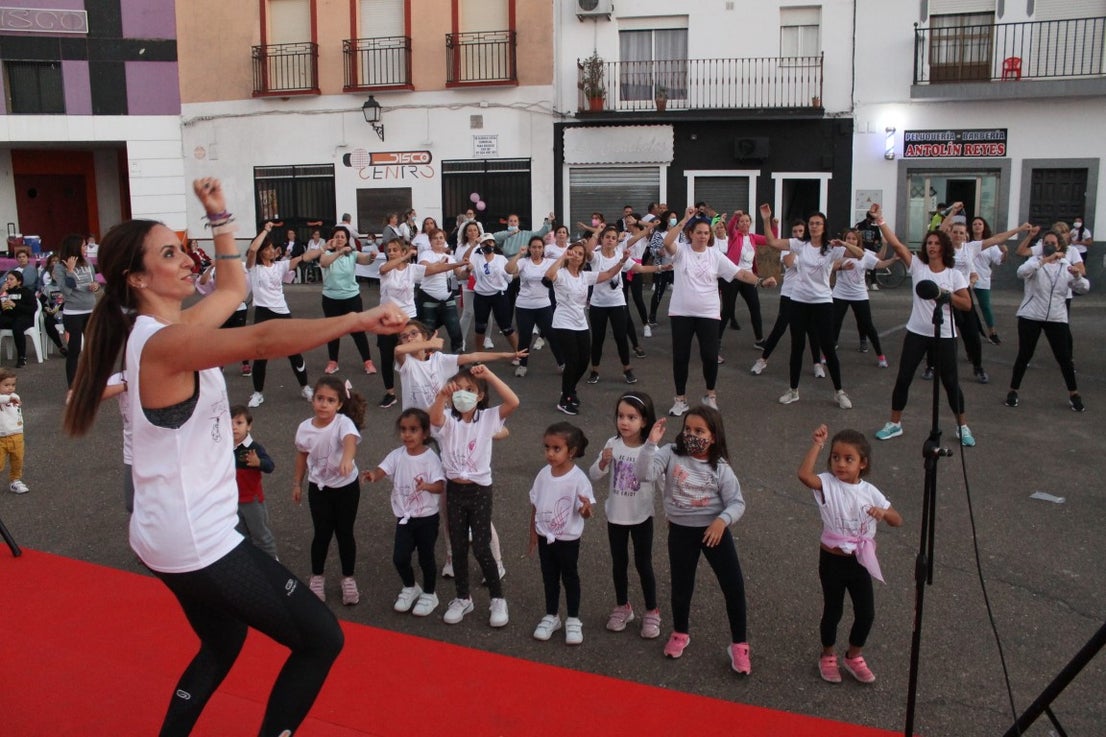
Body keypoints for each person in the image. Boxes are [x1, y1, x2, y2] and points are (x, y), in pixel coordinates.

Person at [62, 178, 408, 736]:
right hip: (195, 539)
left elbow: (231, 288)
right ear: (136, 276)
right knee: (322, 640)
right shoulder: (163, 344)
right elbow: (262, 340)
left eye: (181, 247)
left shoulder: (166, 328)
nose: (183, 258)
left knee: (223, 641)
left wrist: (220, 216)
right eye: (168, 253)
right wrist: (356, 320)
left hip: (166, 533)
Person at [636, 406, 751, 674]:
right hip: (681, 531)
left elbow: (737, 502)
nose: (691, 435)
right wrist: (650, 443)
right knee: (681, 585)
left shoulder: (720, 467)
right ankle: (680, 632)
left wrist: (722, 520)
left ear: (713, 436)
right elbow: (644, 474)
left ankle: (739, 644)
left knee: (733, 586)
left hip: (714, 531)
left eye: (699, 431)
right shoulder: (669, 453)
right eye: (688, 429)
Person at [797, 424, 902, 684]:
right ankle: (828, 655)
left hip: (860, 561)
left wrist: (884, 513)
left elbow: (897, 520)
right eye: (835, 457)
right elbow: (804, 475)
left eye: (848, 459)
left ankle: (854, 656)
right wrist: (817, 444)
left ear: (862, 463)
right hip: (832, 561)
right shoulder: (827, 483)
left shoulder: (870, 492)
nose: (840, 464)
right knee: (833, 610)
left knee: (866, 613)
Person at [869, 206, 977, 446]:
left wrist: (945, 295)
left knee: (950, 383)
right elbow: (897, 245)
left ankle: (963, 427)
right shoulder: (918, 266)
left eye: (936, 243)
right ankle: (894, 423)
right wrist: (880, 220)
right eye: (929, 243)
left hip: (945, 334)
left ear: (944, 247)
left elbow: (967, 305)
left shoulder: (954, 275)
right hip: (917, 332)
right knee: (903, 378)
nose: (932, 247)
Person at [428, 364, 519, 627]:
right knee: (457, 547)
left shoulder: (489, 418)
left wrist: (489, 375)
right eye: (459, 389)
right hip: (454, 489)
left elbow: (513, 401)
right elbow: (434, 419)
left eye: (470, 390)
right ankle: (462, 597)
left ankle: (497, 599)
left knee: (481, 546)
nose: (463, 395)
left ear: (480, 396)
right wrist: (442, 395)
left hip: (479, 490)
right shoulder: (447, 419)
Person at [665, 207, 773, 417]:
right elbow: (667, 243)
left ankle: (710, 395)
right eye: (699, 232)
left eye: (706, 233)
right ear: (690, 234)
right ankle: (680, 399)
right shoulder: (681, 252)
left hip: (708, 313)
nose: (703, 236)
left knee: (709, 356)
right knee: (681, 357)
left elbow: (740, 272)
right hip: (681, 313)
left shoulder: (715, 256)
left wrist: (760, 281)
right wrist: (684, 220)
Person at [760, 205, 863, 409]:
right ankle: (793, 390)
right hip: (798, 301)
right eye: (812, 223)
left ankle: (839, 392)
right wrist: (766, 219)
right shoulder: (800, 244)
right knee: (796, 347)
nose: (814, 226)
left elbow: (859, 254)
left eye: (818, 223)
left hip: (822, 302)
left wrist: (843, 242)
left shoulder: (832, 248)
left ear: (824, 227)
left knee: (828, 347)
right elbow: (771, 242)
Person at [588, 391, 661, 639]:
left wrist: (673, 510)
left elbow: (662, 481)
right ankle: (623, 606)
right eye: (621, 416)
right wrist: (602, 463)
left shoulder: (651, 449)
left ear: (645, 421)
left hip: (642, 517)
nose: (625, 422)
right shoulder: (612, 444)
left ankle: (652, 610)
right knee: (619, 563)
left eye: (632, 417)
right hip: (616, 516)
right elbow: (593, 474)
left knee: (643, 564)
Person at [363, 408, 446, 617]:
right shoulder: (397, 455)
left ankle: (429, 593)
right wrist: (373, 475)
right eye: (403, 430)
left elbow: (440, 486)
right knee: (400, 558)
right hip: (404, 518)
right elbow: (383, 469)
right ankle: (410, 587)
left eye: (413, 430)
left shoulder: (431, 458)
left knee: (426, 557)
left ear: (425, 434)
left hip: (427, 518)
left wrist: (426, 486)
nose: (407, 435)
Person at [293, 375, 368, 605]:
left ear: (339, 404)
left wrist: (347, 459)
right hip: (319, 488)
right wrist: (297, 482)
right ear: (312, 400)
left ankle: (348, 578)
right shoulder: (305, 428)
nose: (323, 404)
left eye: (330, 400)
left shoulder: (343, 422)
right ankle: (317, 577)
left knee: (345, 533)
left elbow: (350, 441)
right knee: (322, 534)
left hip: (346, 488)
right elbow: (302, 455)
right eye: (319, 398)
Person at [938, 206, 1030, 383]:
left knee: (972, 333)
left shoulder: (970, 248)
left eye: (961, 232)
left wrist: (1019, 229)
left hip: (963, 295)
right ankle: (932, 366)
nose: (957, 235)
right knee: (939, 333)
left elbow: (996, 239)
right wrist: (951, 214)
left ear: (966, 235)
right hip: (944, 295)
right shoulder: (944, 247)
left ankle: (978, 367)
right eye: (955, 232)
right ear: (950, 234)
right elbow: (941, 230)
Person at [1004, 226, 1090, 412]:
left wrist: (1077, 276)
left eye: (1053, 244)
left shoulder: (1065, 264)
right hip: (1031, 315)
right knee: (1024, 354)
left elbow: (1083, 288)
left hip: (1056, 316)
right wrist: (1044, 260)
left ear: (1060, 245)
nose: (1049, 246)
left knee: (1064, 357)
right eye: (1046, 243)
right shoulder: (1035, 261)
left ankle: (1074, 393)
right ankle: (1013, 390)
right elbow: (1021, 272)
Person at [545, 239, 632, 415]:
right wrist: (563, 256)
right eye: (573, 252)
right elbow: (548, 275)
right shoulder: (560, 273)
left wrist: (622, 261)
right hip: (563, 322)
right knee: (572, 361)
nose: (576, 255)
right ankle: (565, 399)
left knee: (584, 361)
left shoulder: (585, 276)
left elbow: (608, 274)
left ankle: (569, 389)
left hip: (580, 323)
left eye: (580, 253)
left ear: (584, 258)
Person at [528, 421, 594, 645]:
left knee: (570, 577)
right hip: (545, 536)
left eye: (557, 449)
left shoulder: (578, 479)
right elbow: (535, 503)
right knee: (549, 578)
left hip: (567, 539)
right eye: (547, 447)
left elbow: (585, 511)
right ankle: (551, 615)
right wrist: (533, 533)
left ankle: (573, 619)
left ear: (571, 451)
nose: (550, 453)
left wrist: (585, 510)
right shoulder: (543, 475)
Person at [377, 237, 461, 408]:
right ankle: (390, 393)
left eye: (395, 249)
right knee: (387, 356)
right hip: (387, 320)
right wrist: (405, 256)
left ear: (401, 250)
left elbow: (436, 268)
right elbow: (386, 267)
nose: (391, 253)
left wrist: (457, 265)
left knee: (415, 355)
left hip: (408, 319)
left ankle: (419, 389)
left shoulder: (412, 269)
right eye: (389, 250)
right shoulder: (384, 268)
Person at [245, 222, 321, 407]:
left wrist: (324, 248)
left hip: (282, 312)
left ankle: (305, 387)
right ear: (263, 251)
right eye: (268, 248)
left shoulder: (280, 266)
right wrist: (266, 230)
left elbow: (303, 257)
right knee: (260, 354)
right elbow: (253, 248)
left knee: (294, 352)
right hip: (263, 313)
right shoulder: (254, 268)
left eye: (272, 248)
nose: (272, 251)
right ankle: (258, 393)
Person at [586, 226, 668, 387]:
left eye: (613, 238)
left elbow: (640, 268)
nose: (610, 240)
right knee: (597, 339)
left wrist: (660, 268)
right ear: (601, 239)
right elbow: (588, 250)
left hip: (617, 303)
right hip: (598, 304)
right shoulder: (595, 257)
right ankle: (595, 370)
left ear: (617, 241)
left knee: (621, 337)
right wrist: (596, 232)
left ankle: (627, 369)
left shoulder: (619, 256)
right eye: (607, 237)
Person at [750, 219, 822, 377]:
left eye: (800, 232)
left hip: (808, 294)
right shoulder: (789, 248)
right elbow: (789, 263)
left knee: (811, 329)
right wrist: (797, 246)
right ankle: (762, 360)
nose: (797, 234)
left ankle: (817, 363)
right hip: (789, 293)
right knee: (780, 327)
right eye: (795, 231)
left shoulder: (814, 248)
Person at [830, 228, 897, 368]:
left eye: (854, 239)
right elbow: (829, 266)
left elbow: (880, 263)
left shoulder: (864, 254)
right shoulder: (838, 251)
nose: (850, 241)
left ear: (858, 241)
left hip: (859, 294)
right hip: (840, 293)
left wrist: (893, 259)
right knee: (834, 323)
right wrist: (840, 266)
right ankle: (826, 354)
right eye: (848, 238)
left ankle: (881, 356)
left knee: (867, 325)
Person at [318, 225, 378, 376]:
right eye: (337, 236)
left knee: (358, 331)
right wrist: (339, 252)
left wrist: (371, 257)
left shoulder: (352, 254)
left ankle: (368, 362)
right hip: (331, 298)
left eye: (342, 237)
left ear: (347, 240)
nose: (339, 239)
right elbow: (324, 263)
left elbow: (365, 260)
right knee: (333, 332)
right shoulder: (325, 253)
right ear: (332, 239)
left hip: (351, 298)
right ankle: (333, 362)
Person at [506, 235, 564, 377]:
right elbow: (509, 269)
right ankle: (522, 365)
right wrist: (519, 253)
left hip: (544, 305)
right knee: (525, 337)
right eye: (534, 247)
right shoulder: (523, 262)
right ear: (529, 248)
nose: (537, 250)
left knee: (552, 335)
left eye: (539, 247)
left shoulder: (549, 262)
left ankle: (562, 363)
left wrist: (565, 255)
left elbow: (566, 263)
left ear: (543, 249)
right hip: (524, 306)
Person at [230, 404, 278, 560]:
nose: (233, 428)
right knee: (241, 536)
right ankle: (252, 563)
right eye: (229, 423)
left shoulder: (254, 448)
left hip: (252, 501)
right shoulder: (224, 447)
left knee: (261, 536)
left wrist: (259, 462)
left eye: (239, 423)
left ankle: (273, 564)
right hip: (232, 501)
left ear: (249, 426)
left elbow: (270, 466)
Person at [55, 233, 100, 396]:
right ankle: (73, 388)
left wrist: (95, 286)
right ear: (74, 247)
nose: (86, 248)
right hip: (73, 313)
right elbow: (66, 292)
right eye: (83, 246)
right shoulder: (60, 267)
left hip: (91, 309)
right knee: (74, 350)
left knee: (93, 349)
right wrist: (70, 271)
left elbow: (94, 282)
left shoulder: (87, 262)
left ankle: (94, 383)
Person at [720, 211, 771, 350]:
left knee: (755, 307)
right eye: (741, 221)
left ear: (750, 223)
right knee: (727, 310)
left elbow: (770, 240)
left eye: (747, 221)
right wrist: (735, 216)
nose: (744, 223)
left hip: (748, 277)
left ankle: (759, 339)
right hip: (733, 276)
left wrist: (774, 226)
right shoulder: (734, 236)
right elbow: (730, 228)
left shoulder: (753, 237)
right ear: (738, 223)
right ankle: (715, 341)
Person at [463, 232, 520, 355]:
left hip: (499, 295)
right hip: (481, 296)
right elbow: (465, 259)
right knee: (480, 328)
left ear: (494, 244)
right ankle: (479, 356)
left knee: (506, 328)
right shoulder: (476, 257)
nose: (487, 245)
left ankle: (518, 354)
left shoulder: (501, 259)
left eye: (490, 242)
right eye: (484, 243)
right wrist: (473, 245)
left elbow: (510, 275)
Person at [417, 228, 468, 352]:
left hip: (447, 299)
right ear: (430, 241)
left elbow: (460, 275)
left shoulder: (449, 257)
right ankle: (427, 361)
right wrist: (441, 263)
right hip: (429, 299)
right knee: (428, 333)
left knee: (456, 332)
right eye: (435, 238)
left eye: (441, 238)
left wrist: (468, 270)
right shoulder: (425, 254)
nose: (439, 240)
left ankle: (458, 361)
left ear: (445, 240)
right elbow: (426, 270)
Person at [968, 217, 1007, 345]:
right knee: (964, 307)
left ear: (984, 227)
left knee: (985, 306)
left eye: (980, 224)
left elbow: (999, 260)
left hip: (982, 279)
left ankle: (992, 332)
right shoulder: (967, 242)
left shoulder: (990, 244)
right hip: (965, 279)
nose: (977, 226)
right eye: (975, 224)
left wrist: (1005, 252)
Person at [0, 270, 37, 367]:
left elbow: (33, 309)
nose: (8, 281)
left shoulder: (27, 292)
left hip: (24, 317)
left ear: (19, 281)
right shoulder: (5, 292)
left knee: (17, 328)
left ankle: (21, 357)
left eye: (11, 279)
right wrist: (1, 292)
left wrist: (15, 305)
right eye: (7, 279)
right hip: (8, 317)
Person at [0, 368, 28, 493]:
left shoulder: (14, 396)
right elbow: (3, 399)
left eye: (13, 385)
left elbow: (12, 397)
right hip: (1, 437)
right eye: (6, 385)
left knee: (18, 460)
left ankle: (15, 481)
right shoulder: (6, 399)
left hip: (16, 434)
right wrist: (8, 399)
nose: (10, 388)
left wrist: (10, 398)